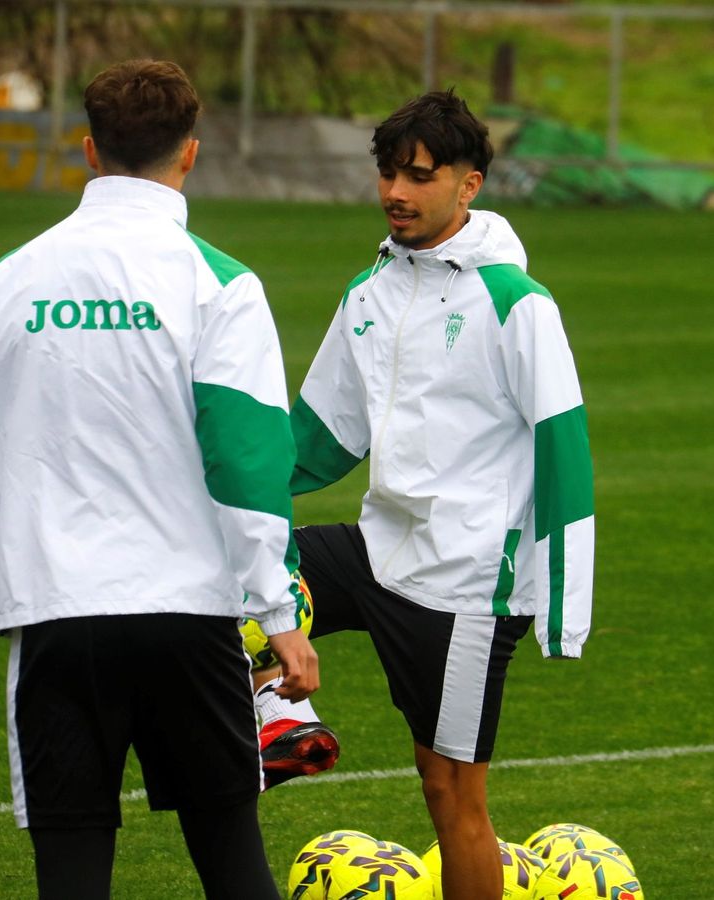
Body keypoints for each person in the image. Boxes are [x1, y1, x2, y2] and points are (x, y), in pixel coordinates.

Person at [0, 58, 318, 900]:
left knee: (72, 871)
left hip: (56, 611)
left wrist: (12, 588)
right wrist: (277, 613)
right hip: (188, 614)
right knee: (232, 858)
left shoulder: (9, 281)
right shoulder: (220, 284)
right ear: (190, 153)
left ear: (89, 149)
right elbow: (247, 461)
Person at [259, 89, 596, 899]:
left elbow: (564, 450)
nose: (395, 192)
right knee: (242, 565)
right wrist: (229, 490)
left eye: (418, 176)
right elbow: (323, 434)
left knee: (449, 792)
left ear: (469, 184)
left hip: (467, 586)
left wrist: (564, 607)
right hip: (381, 550)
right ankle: (281, 721)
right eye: (388, 173)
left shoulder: (517, 304)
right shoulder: (369, 291)